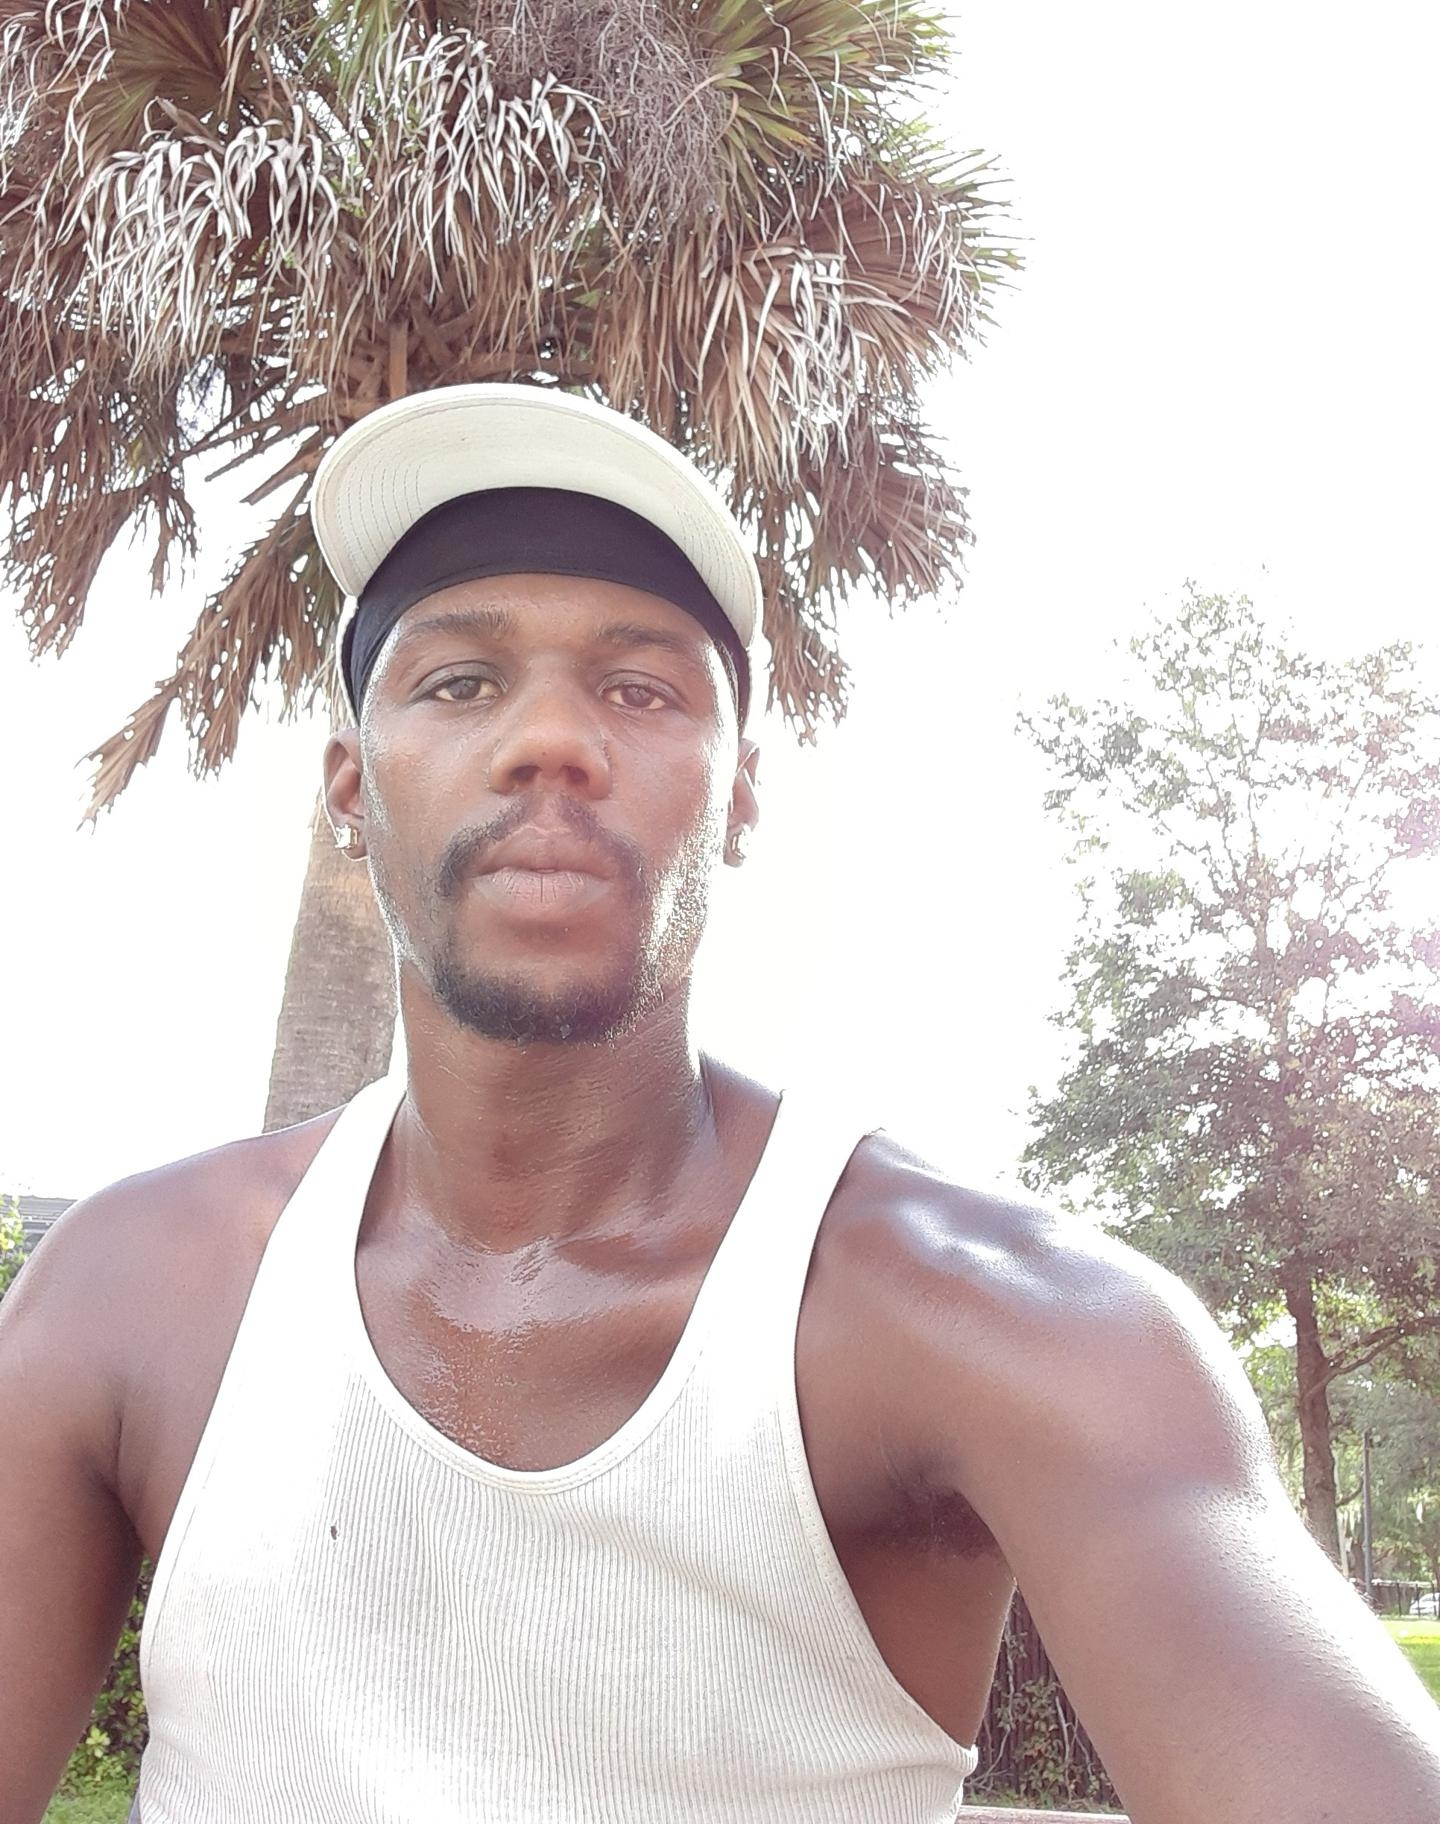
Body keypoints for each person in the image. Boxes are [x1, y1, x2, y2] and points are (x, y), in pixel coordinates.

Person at [3, 385, 1439, 1824]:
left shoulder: (1000, 1323)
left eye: (640, 689)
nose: (550, 739)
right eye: (458, 683)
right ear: (347, 785)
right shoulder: (130, 1295)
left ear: (740, 795)